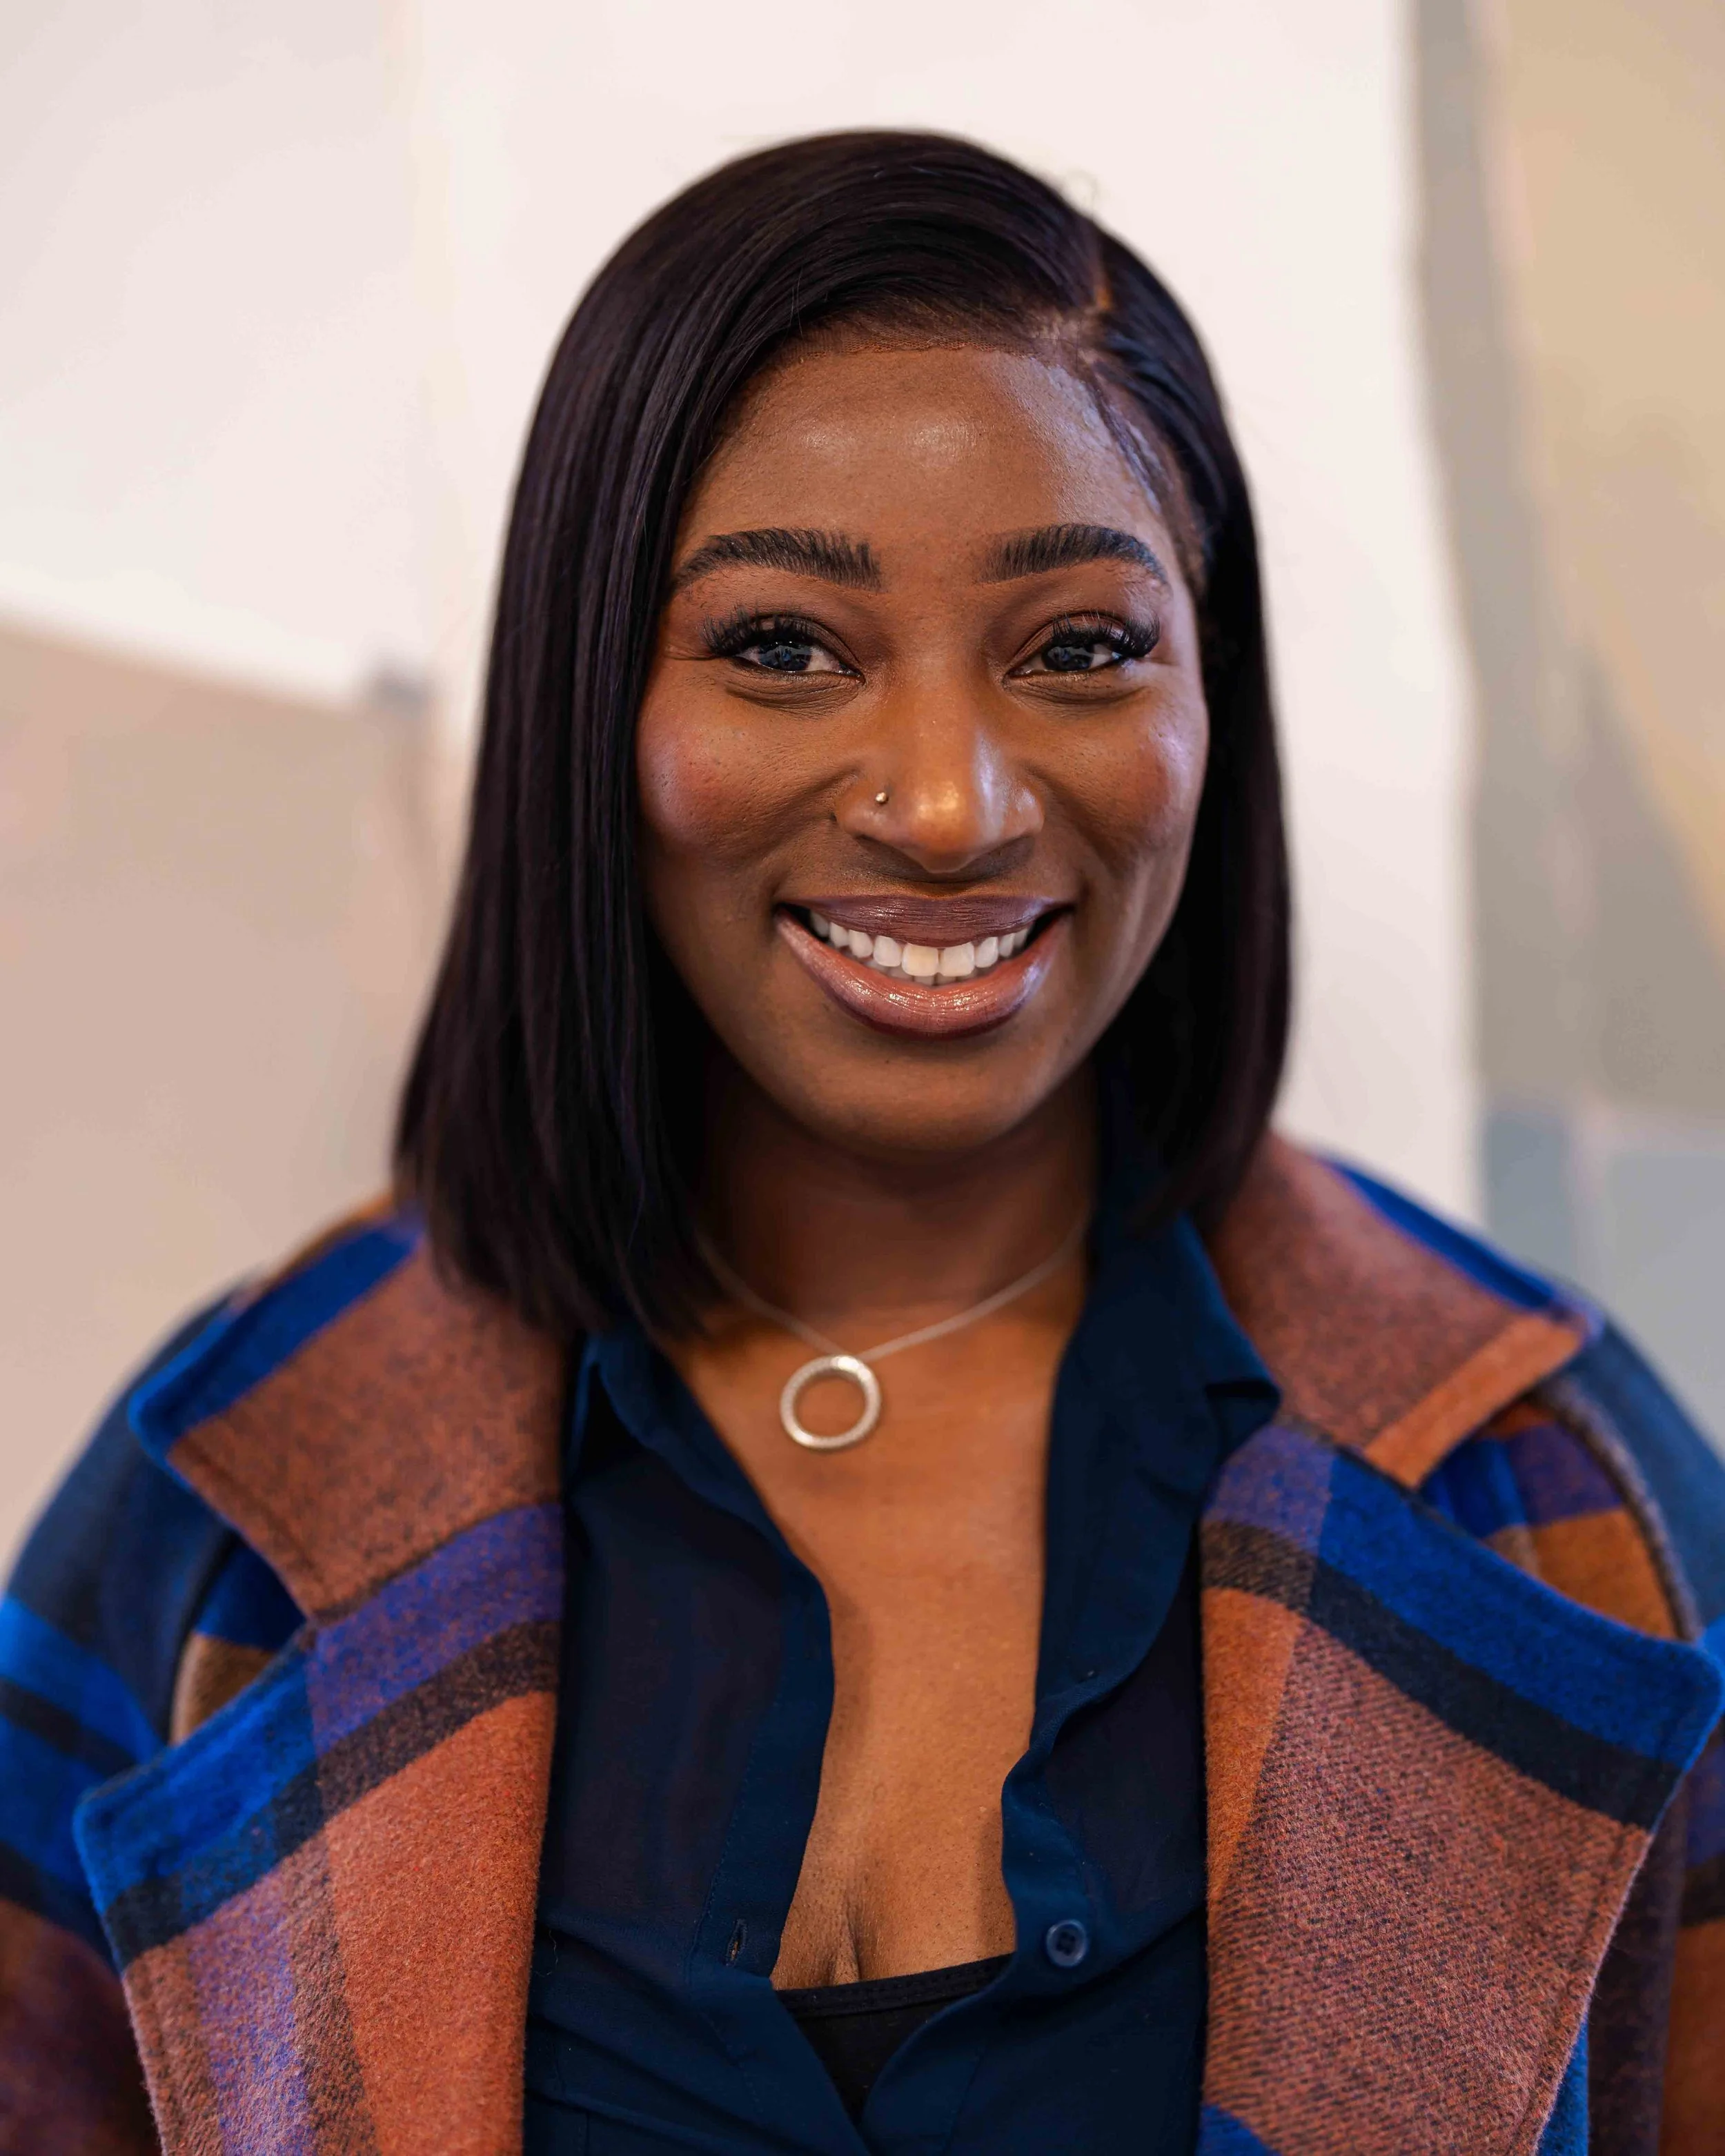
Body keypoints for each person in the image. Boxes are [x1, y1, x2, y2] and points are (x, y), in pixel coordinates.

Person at [3, 130, 1722, 2156]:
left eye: (1078, 646)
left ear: (1207, 699)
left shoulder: (1537, 1477)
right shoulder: (225, 1498)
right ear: (594, 706)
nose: (943, 802)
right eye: (782, 648)